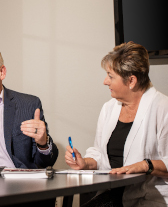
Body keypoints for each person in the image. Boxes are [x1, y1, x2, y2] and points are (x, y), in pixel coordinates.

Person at [65, 41, 168, 206]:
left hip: (151, 198)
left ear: (131, 81)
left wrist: (146, 165)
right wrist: (85, 162)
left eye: (110, 76)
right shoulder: (109, 108)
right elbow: (100, 154)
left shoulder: (163, 108)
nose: (105, 81)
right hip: (112, 195)